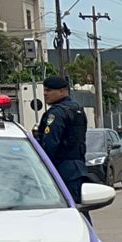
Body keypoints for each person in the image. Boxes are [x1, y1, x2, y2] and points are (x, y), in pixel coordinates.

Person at [33, 75, 87, 203]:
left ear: (62, 91)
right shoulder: (78, 109)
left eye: (49, 90)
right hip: (77, 168)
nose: (45, 93)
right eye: (45, 90)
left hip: (61, 171)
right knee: (77, 209)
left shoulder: (57, 113)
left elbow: (50, 144)